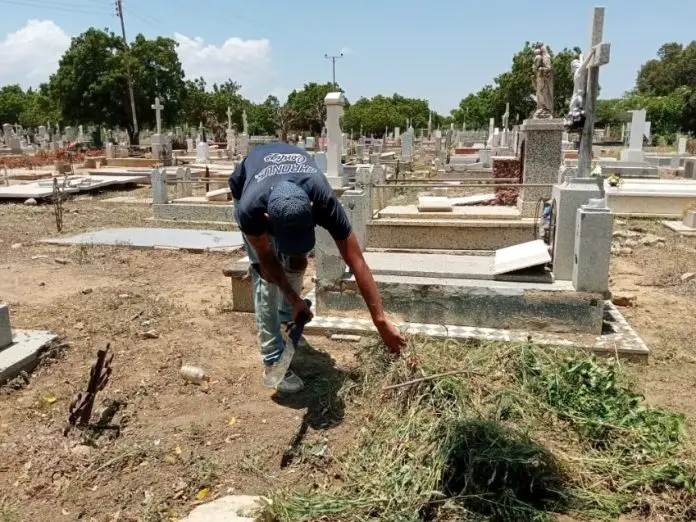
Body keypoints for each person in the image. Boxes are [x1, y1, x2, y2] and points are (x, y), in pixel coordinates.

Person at [229, 142, 406, 393]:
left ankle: (286, 323)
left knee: (296, 261)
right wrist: (293, 297)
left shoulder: (323, 199)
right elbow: (267, 261)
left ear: (311, 208)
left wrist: (380, 322)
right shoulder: (251, 210)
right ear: (268, 219)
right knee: (266, 279)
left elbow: (356, 261)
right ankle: (272, 359)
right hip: (250, 181)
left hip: (285, 187)